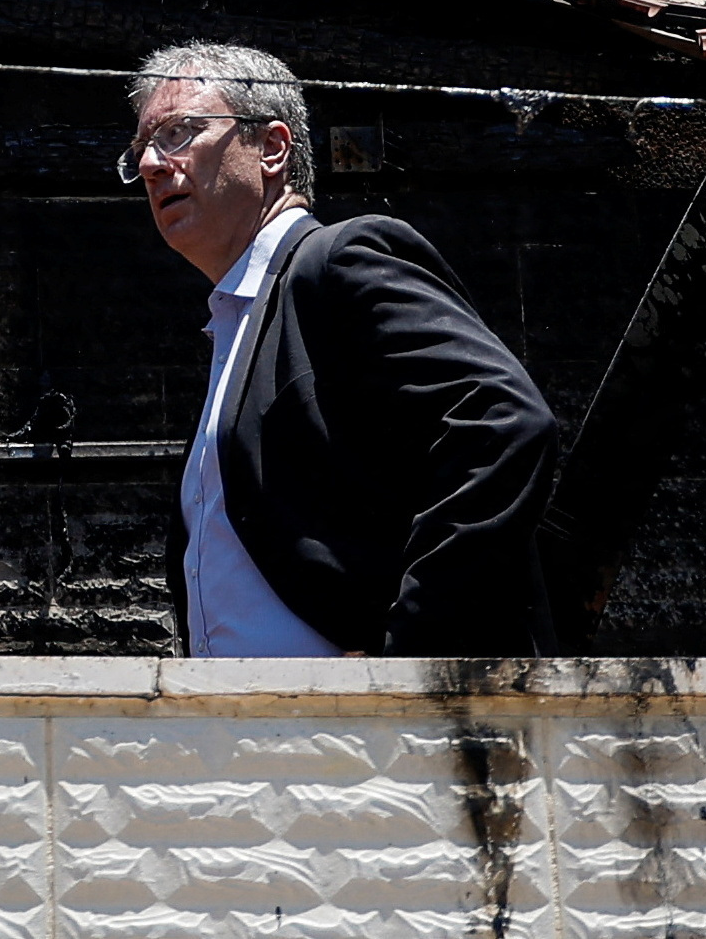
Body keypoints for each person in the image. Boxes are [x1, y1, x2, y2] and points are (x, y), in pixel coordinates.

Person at [128, 41, 560, 655]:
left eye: (178, 133)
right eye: (142, 148)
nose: (151, 163)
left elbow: (504, 423)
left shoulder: (337, 261)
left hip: (363, 711)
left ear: (272, 148)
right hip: (247, 713)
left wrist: (410, 654)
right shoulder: (237, 321)